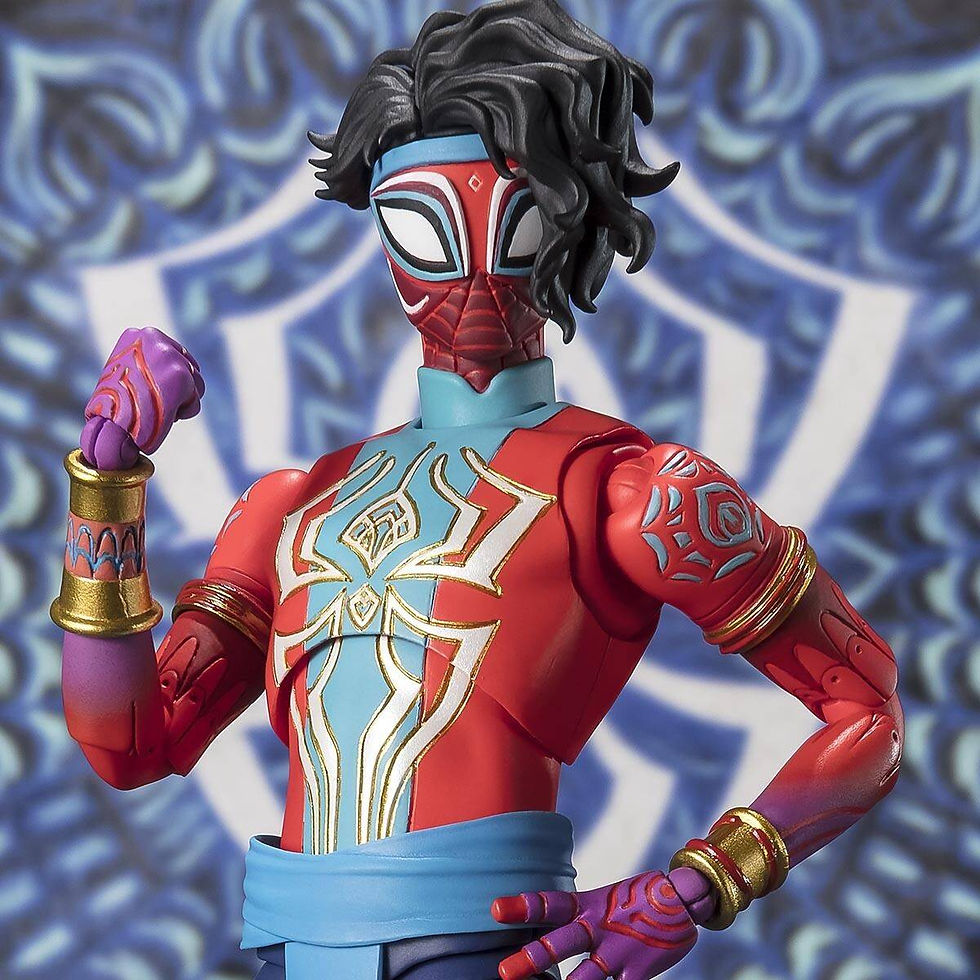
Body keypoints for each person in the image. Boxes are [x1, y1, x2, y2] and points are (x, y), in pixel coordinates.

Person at [52, 2, 903, 978]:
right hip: (288, 945)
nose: (469, 270)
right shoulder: (292, 505)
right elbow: (131, 743)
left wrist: (704, 880)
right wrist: (106, 487)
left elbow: (866, 710)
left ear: (570, 215)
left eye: (516, 215)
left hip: (477, 947)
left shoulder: (637, 494)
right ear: (382, 227)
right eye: (422, 222)